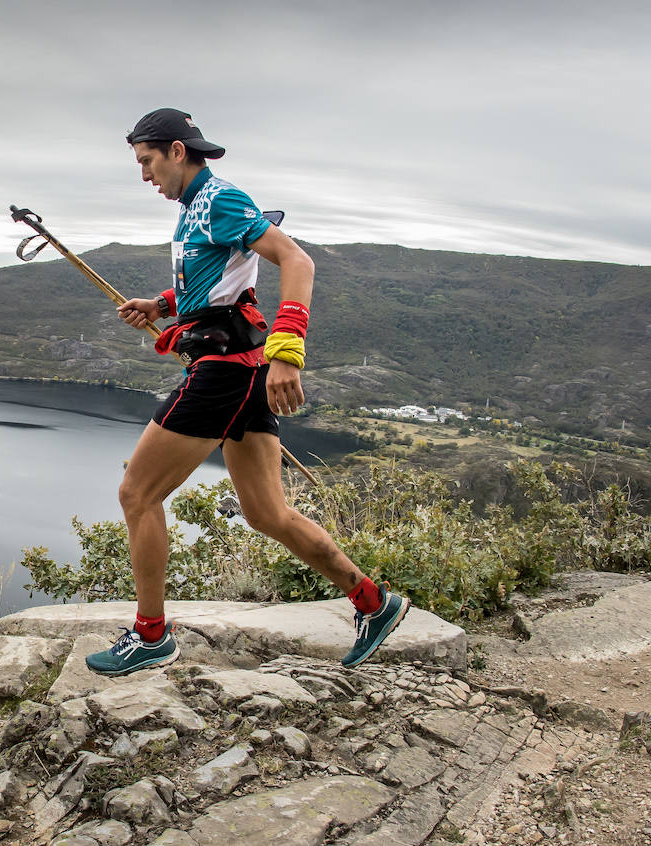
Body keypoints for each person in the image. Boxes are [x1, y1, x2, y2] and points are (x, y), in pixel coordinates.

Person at [84, 108, 410, 676]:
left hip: (227, 373)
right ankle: (373, 603)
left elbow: (295, 260)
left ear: (177, 151)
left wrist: (288, 351)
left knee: (137, 495)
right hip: (241, 371)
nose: (144, 176)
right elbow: (222, 278)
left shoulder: (221, 199)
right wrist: (162, 305)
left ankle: (152, 635)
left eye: (147, 162)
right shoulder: (197, 208)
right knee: (267, 513)